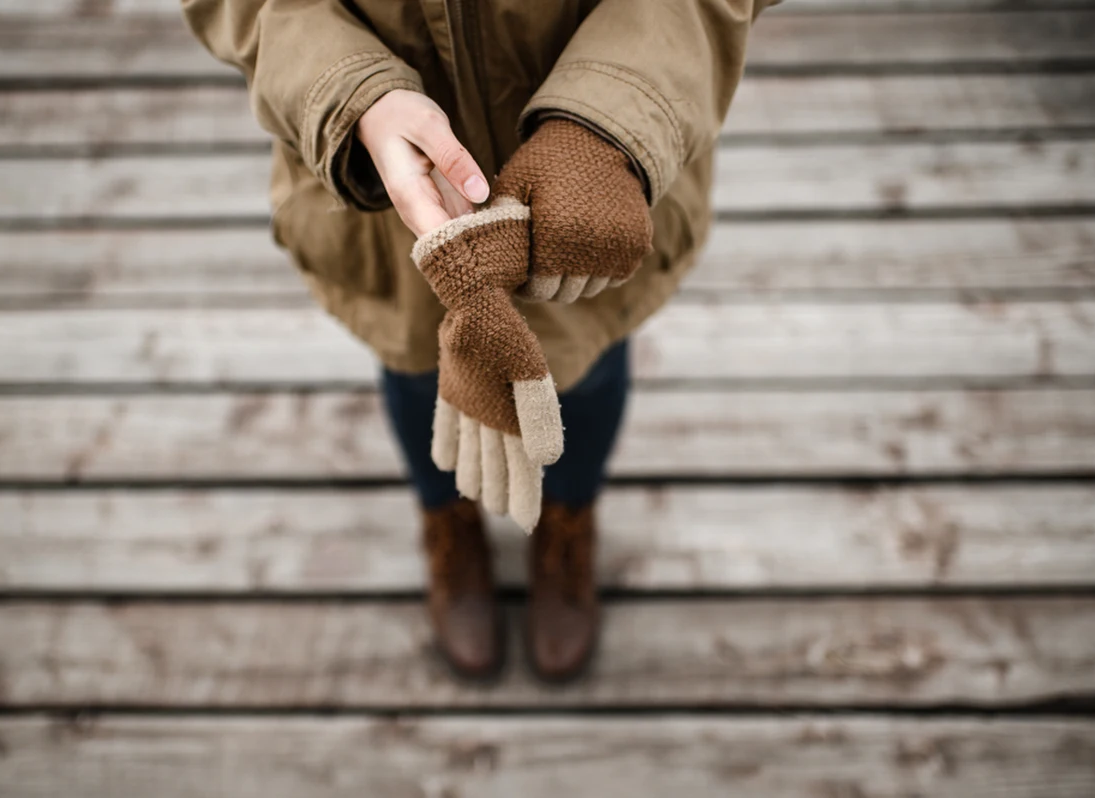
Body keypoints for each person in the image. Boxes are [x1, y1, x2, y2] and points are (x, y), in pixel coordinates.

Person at [182, 0, 778, 683]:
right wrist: (351, 91)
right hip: (389, 192)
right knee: (417, 365)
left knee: (586, 365)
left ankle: (567, 523)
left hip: (597, 183)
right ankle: (450, 524)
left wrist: (611, 113)